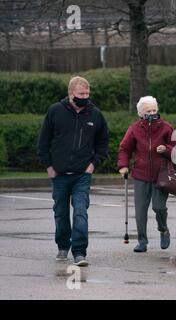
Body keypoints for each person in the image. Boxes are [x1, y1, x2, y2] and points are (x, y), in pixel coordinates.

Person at [38, 76, 109, 266]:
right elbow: (43, 142)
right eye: (81, 94)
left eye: (87, 93)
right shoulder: (55, 111)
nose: (85, 97)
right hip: (59, 175)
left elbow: (103, 144)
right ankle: (63, 246)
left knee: (80, 212)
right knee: (60, 213)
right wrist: (49, 167)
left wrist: (92, 165)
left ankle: (80, 253)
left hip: (82, 176)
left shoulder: (95, 115)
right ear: (71, 94)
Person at [117, 96, 176, 252]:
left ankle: (163, 229)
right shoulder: (134, 129)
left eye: (154, 110)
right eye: (148, 111)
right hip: (141, 174)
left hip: (162, 175)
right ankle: (142, 241)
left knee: (159, 207)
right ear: (140, 113)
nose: (152, 113)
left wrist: (166, 149)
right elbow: (125, 149)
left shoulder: (167, 128)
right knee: (140, 210)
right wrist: (123, 165)